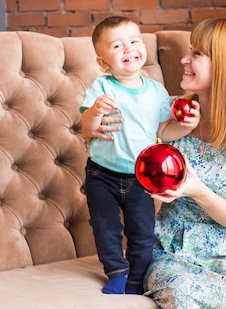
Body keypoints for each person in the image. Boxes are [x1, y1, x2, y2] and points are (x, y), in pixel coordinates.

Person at [93, 18, 226, 308]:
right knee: (184, 294)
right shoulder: (166, 113)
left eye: (196, 53)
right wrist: (95, 125)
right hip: (172, 248)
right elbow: (114, 142)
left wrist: (197, 191)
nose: (184, 59)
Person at [80, 16, 199, 295]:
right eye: (118, 46)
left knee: (143, 232)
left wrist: (186, 125)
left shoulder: (156, 91)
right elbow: (86, 128)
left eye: (134, 41)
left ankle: (136, 278)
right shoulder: (102, 88)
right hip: (102, 173)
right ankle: (117, 272)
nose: (129, 49)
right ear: (103, 62)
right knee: (104, 226)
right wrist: (95, 112)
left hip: (140, 177)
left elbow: (163, 132)